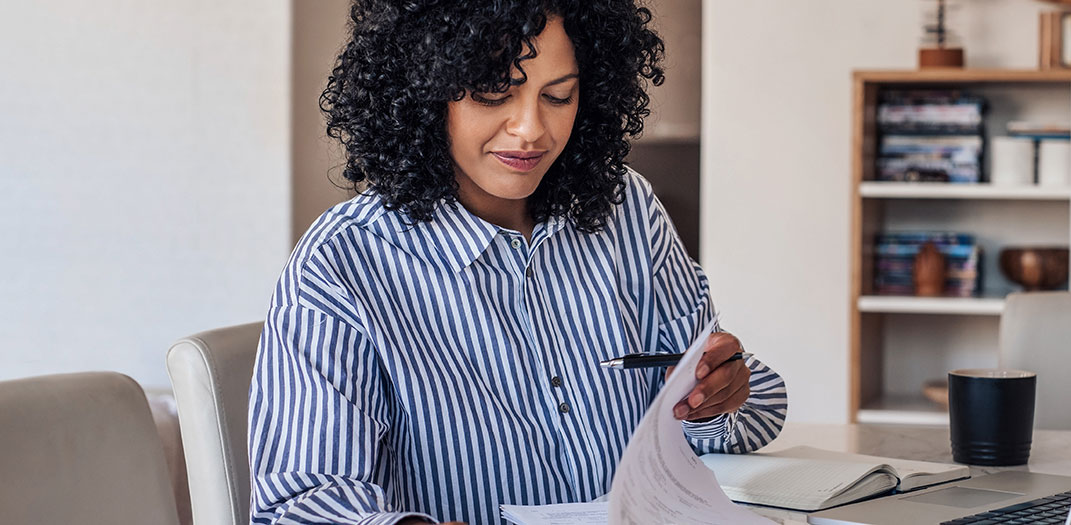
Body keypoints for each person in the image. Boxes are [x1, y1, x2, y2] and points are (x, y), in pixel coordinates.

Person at [247, 2, 788, 524]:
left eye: (558, 96)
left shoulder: (628, 212)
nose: (530, 128)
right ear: (424, 93)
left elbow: (741, 417)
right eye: (492, 94)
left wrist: (717, 396)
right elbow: (300, 504)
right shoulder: (344, 262)